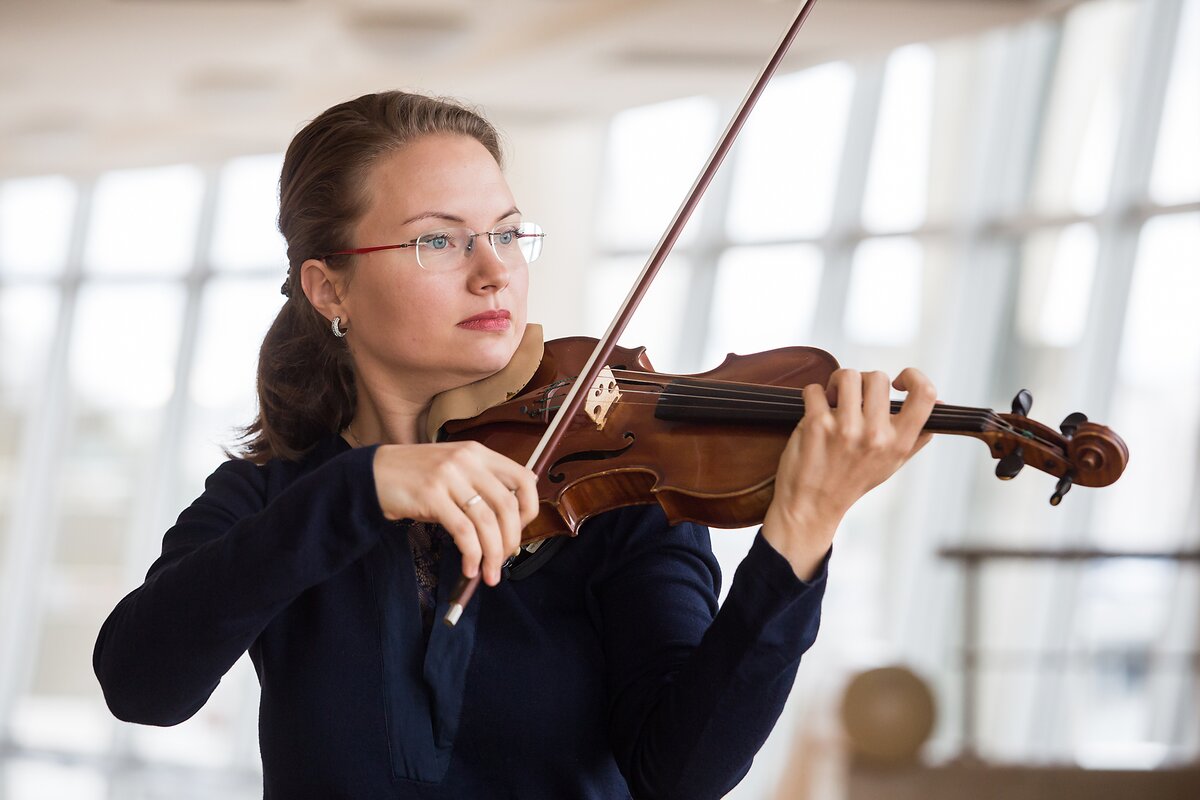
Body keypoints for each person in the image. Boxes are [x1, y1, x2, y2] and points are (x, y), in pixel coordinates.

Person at [93, 91, 936, 799]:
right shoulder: (272, 503)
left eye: (506, 231)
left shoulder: (616, 494)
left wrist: (799, 533)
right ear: (329, 287)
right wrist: (365, 485)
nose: (493, 269)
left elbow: (680, 772)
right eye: (438, 239)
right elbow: (142, 685)